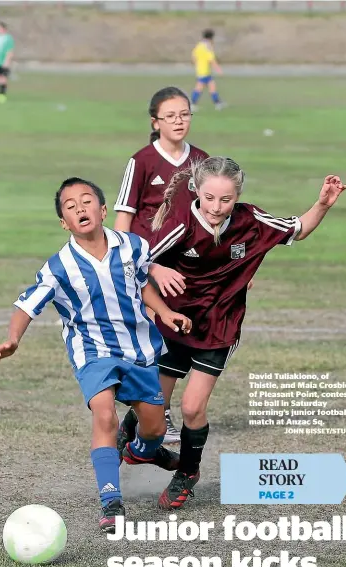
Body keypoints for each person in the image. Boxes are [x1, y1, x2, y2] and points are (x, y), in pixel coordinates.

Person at [0, 177, 192, 533]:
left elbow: (142, 284)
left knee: (155, 428)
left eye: (86, 201)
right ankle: (111, 503)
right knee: (105, 415)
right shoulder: (59, 267)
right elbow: (26, 306)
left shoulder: (133, 246)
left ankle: (142, 451)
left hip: (140, 350)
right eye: (70, 206)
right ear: (64, 223)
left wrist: (164, 312)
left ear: (102, 209)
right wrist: (12, 339)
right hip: (93, 352)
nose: (80, 208)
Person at [144, 157, 346, 510]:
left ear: (237, 196)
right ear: (196, 190)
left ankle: (187, 473)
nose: (216, 208)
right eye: (209, 198)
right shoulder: (180, 225)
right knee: (150, 407)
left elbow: (299, 228)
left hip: (220, 328)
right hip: (175, 323)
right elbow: (137, 262)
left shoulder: (251, 221)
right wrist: (158, 270)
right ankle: (135, 441)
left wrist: (323, 204)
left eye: (225, 200)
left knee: (192, 409)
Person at [114, 86, 209, 443]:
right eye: (171, 116)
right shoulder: (141, 160)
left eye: (185, 114)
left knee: (178, 335)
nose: (179, 121)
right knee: (158, 337)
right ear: (156, 122)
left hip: (185, 267)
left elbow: (212, 213)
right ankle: (157, 413)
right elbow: (124, 217)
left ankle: (140, 418)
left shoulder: (201, 159)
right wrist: (130, 263)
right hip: (146, 265)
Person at [191, 29, 225, 111]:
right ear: (211, 38)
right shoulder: (207, 47)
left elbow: (193, 57)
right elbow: (211, 59)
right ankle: (192, 104)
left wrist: (197, 65)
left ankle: (218, 103)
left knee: (211, 86)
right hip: (205, 70)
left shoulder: (199, 46)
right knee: (201, 87)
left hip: (200, 69)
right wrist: (218, 69)